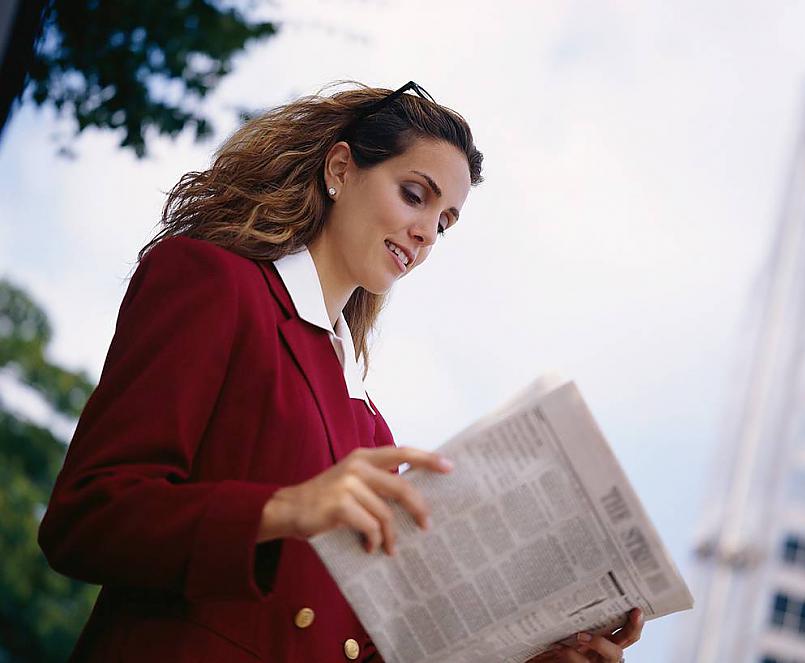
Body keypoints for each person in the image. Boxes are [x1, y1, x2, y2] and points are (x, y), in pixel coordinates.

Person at [38, 80, 643, 663]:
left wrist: (527, 657)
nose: (428, 231)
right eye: (415, 194)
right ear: (341, 170)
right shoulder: (213, 283)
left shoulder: (373, 431)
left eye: (446, 221)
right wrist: (283, 510)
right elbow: (87, 517)